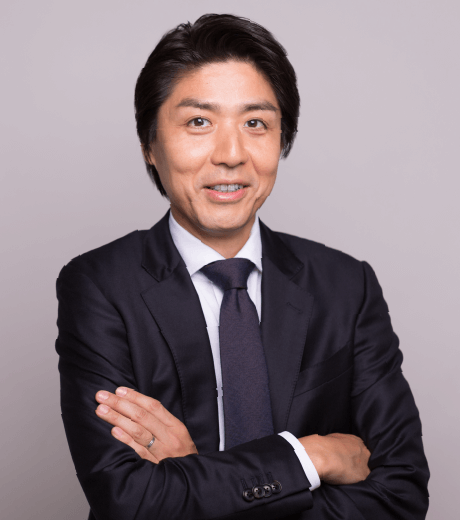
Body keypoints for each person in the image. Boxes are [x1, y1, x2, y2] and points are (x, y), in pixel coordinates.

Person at [55, 13, 429, 520]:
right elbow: (130, 501)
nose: (231, 155)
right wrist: (309, 457)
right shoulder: (100, 286)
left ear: (282, 139)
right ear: (149, 145)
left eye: (255, 123)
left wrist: (195, 475)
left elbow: (401, 495)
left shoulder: (347, 286)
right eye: (198, 122)